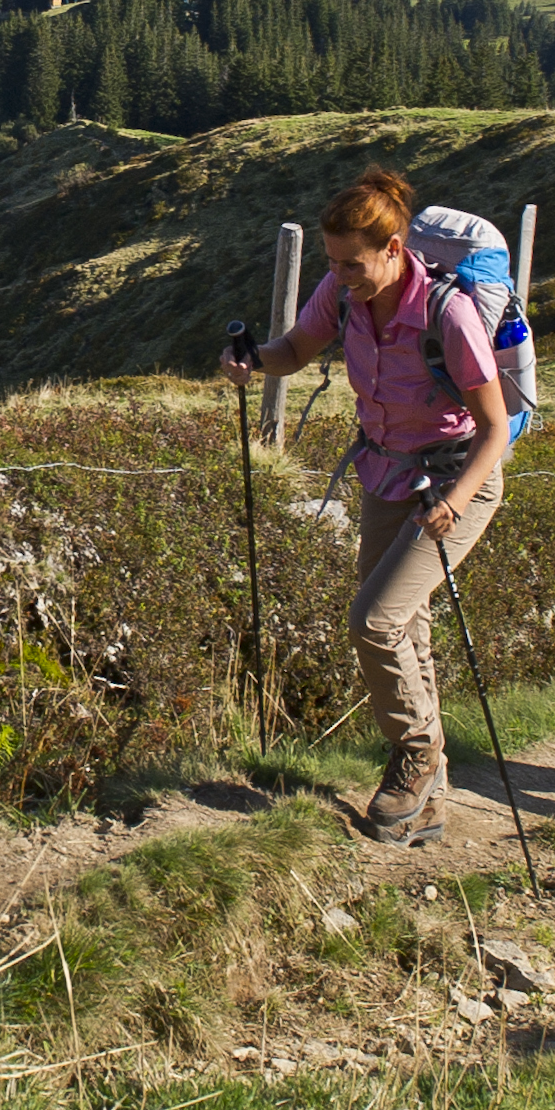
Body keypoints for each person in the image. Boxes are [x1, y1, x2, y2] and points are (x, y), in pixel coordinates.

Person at [218, 168, 513, 843]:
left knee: (374, 621)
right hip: (387, 472)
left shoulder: (450, 313)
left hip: (454, 478)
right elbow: (295, 349)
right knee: (403, 623)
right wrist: (251, 361)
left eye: (352, 262)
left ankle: (416, 753)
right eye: (331, 261)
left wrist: (457, 500)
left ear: (394, 247)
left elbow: (495, 427)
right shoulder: (344, 293)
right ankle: (429, 795)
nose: (339, 274)